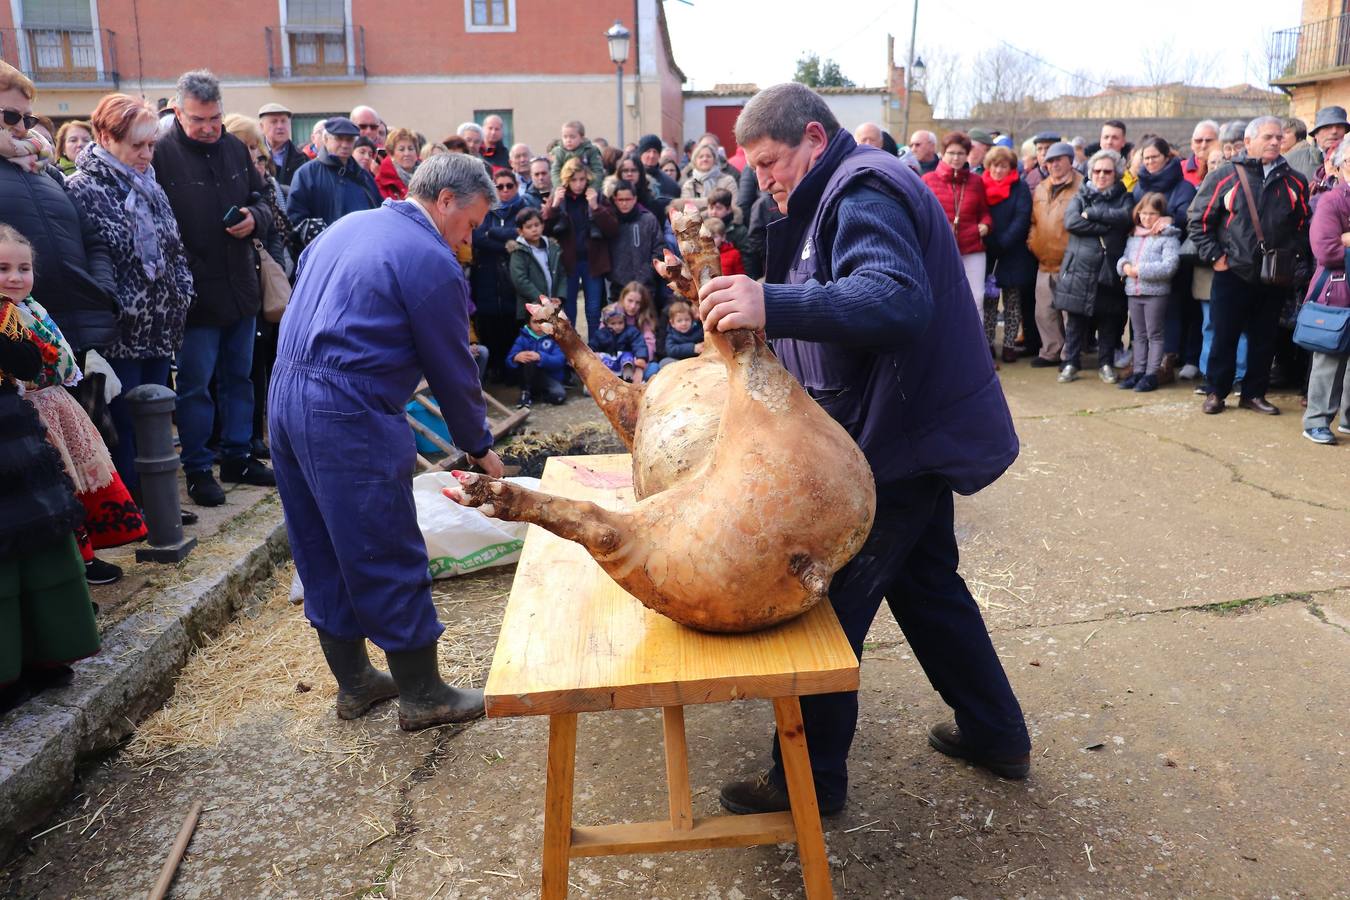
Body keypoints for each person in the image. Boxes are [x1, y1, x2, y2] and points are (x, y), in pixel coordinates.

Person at [695, 82, 1026, 816]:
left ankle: (807, 785)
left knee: (824, 603)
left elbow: (894, 299)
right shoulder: (833, 192)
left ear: (815, 137)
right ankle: (997, 734)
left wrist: (769, 302)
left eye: (773, 161)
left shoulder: (864, 187)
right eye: (754, 167)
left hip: (899, 443)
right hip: (898, 432)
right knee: (929, 588)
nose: (765, 178)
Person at [271, 153, 502, 730]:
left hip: (284, 394)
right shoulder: (430, 259)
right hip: (346, 409)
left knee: (319, 541)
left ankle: (354, 684)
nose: (468, 239)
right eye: (470, 223)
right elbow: (452, 368)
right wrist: (479, 445)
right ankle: (423, 694)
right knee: (383, 541)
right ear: (445, 200)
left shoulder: (348, 224)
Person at [154, 69, 276, 505]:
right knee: (194, 385)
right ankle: (200, 467)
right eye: (198, 119)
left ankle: (238, 455)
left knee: (239, 378)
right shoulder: (161, 154)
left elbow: (263, 200)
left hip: (240, 286)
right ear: (177, 112)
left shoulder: (233, 149)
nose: (208, 128)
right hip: (193, 296)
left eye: (214, 118)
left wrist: (253, 218)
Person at [65, 94, 195, 495]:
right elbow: (88, 262)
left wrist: (183, 291)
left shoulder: (151, 184)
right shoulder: (81, 189)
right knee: (123, 424)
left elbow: (173, 247)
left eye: (151, 145)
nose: (146, 154)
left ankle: (159, 502)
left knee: (155, 419)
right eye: (136, 145)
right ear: (105, 137)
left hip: (160, 327)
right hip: (118, 333)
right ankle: (134, 507)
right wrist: (111, 311)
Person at [0, 258, 100, 711]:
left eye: (21, 266)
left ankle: (45, 652)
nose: (14, 275)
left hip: (10, 433)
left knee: (37, 537)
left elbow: (24, 361)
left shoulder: (8, 313)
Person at [1190, 116, 1311, 416]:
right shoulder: (1225, 176)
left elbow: (1301, 224)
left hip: (1274, 275)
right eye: (1268, 136)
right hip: (1233, 272)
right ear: (1248, 141)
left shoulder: (1295, 180)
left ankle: (1253, 394)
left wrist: (1290, 257)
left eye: (1278, 137)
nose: (1274, 142)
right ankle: (1217, 391)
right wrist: (1216, 257)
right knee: (1224, 336)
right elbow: (1198, 220)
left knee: (1264, 338)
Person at [0, 61, 118, 358]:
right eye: (10, 116)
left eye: (28, 119)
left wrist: (102, 291)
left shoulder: (47, 171)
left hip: (82, 334)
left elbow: (94, 241)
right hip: (18, 343)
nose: (20, 127)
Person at [1052, 148, 1133, 384]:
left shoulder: (1124, 196)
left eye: (1107, 171)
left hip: (1108, 268)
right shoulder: (1080, 195)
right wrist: (1105, 226)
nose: (1101, 175)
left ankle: (1106, 363)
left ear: (1116, 174)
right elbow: (1072, 222)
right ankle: (1070, 363)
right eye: (1097, 171)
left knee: (1108, 320)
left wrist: (1093, 214)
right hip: (1079, 267)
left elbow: (1126, 217)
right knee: (1076, 321)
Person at [1302, 141, 1350, 444]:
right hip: (1337, 289)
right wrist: (1343, 241)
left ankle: (1348, 420)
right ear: (1344, 165)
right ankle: (1316, 421)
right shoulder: (1331, 201)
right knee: (1330, 358)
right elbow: (1326, 250)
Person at [542, 157, 618, 336]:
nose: (578, 184)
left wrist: (596, 207)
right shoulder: (559, 197)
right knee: (569, 311)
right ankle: (572, 352)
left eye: (582, 179)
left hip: (593, 262)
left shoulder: (596, 196)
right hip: (567, 263)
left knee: (593, 310)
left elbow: (613, 229)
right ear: (566, 180)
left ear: (588, 179)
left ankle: (594, 350)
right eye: (574, 180)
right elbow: (543, 230)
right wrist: (553, 206)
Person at [922, 131, 991, 322]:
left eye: (960, 153)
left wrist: (986, 224)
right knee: (940, 297)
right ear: (943, 153)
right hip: (941, 247)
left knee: (976, 298)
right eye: (951, 153)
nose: (956, 158)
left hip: (972, 246)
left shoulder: (976, 181)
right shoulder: (928, 180)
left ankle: (976, 347)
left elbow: (984, 211)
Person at [1117, 193, 1181, 392]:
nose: (1146, 218)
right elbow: (1124, 257)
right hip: (1133, 291)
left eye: (1152, 214)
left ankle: (1152, 373)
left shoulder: (1168, 237)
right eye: (1143, 214)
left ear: (1161, 215)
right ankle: (1138, 370)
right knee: (1139, 335)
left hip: (1155, 293)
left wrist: (1140, 270)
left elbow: (1169, 266)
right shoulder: (1134, 236)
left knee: (1154, 333)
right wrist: (1124, 266)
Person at [471, 168, 530, 379]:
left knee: (511, 323)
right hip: (487, 274)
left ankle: (511, 369)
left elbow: (523, 233)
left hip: (512, 276)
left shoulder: (523, 207)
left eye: (509, 186)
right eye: (500, 186)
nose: (504, 190)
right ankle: (495, 368)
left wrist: (494, 234)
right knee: (490, 323)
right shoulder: (486, 207)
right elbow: (478, 237)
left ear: (516, 186)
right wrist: (506, 244)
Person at [1027, 142, 1082, 368]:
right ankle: (1050, 351)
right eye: (1050, 160)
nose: (1054, 164)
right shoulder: (1040, 187)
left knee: (1069, 314)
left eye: (1059, 159)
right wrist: (1032, 242)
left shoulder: (1082, 186)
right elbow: (1033, 221)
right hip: (1043, 261)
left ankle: (1069, 356)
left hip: (1069, 262)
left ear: (1070, 161)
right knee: (1044, 311)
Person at [287, 116, 381, 244]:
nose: (345, 144)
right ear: (325, 139)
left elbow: (378, 210)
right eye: (339, 138)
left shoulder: (363, 176)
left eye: (349, 140)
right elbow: (295, 218)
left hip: (362, 247)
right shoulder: (307, 173)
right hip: (323, 251)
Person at [981, 145, 1035, 363]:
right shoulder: (981, 185)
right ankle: (988, 343)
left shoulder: (1019, 187)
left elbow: (1022, 217)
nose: (998, 170)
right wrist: (990, 241)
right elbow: (979, 211)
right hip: (989, 250)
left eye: (1003, 166)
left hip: (1013, 252)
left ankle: (1010, 344)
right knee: (989, 302)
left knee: (1012, 302)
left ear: (1011, 167)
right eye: (995, 165)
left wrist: (1003, 242)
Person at [604, 179, 664, 301]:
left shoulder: (648, 219)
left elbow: (659, 248)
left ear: (635, 199)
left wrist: (648, 272)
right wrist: (612, 274)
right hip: (617, 286)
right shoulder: (611, 221)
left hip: (646, 285)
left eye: (628, 199)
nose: (624, 203)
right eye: (620, 200)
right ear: (615, 200)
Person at [507, 206, 565, 323]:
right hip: (532, 309)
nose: (534, 229)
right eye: (529, 227)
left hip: (553, 306)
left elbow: (562, 274)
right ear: (520, 231)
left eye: (537, 225)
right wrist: (542, 300)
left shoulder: (552, 247)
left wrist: (559, 296)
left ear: (542, 226)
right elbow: (520, 280)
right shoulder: (518, 251)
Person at [506, 315, 567, 407]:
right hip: (528, 377)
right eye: (535, 322)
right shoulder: (522, 338)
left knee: (559, 396)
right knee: (528, 359)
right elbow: (508, 361)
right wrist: (515, 357)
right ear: (528, 324)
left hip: (549, 377)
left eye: (542, 321)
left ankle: (539, 395)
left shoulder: (555, 338)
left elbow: (560, 360)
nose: (539, 325)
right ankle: (525, 393)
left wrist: (540, 357)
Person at [588, 302, 647, 383]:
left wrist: (641, 358)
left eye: (620, 323)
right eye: (613, 323)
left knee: (627, 356)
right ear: (606, 323)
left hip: (623, 360)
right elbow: (592, 346)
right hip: (608, 360)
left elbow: (639, 345)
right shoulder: (600, 334)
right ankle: (596, 381)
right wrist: (592, 355)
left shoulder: (631, 331)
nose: (617, 326)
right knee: (598, 357)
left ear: (624, 321)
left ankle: (628, 376)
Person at [258, 102, 307, 189]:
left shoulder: (302, 158)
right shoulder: (254, 156)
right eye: (274, 122)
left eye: (284, 121)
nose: (280, 126)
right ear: (262, 127)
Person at [549, 120, 604, 189]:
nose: (568, 140)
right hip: (565, 186)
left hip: (586, 186)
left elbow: (597, 171)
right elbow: (555, 171)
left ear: (582, 138)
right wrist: (559, 186)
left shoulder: (590, 150)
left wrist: (593, 188)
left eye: (572, 137)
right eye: (565, 137)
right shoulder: (559, 152)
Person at [376, 127, 420, 201]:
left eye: (411, 149)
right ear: (392, 154)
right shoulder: (381, 181)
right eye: (401, 149)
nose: (407, 153)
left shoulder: (428, 177)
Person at [1183, 120, 1219, 187]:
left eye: (1208, 140)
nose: (1203, 145)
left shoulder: (1228, 169)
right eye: (1198, 141)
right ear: (1192, 143)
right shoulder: (1180, 169)